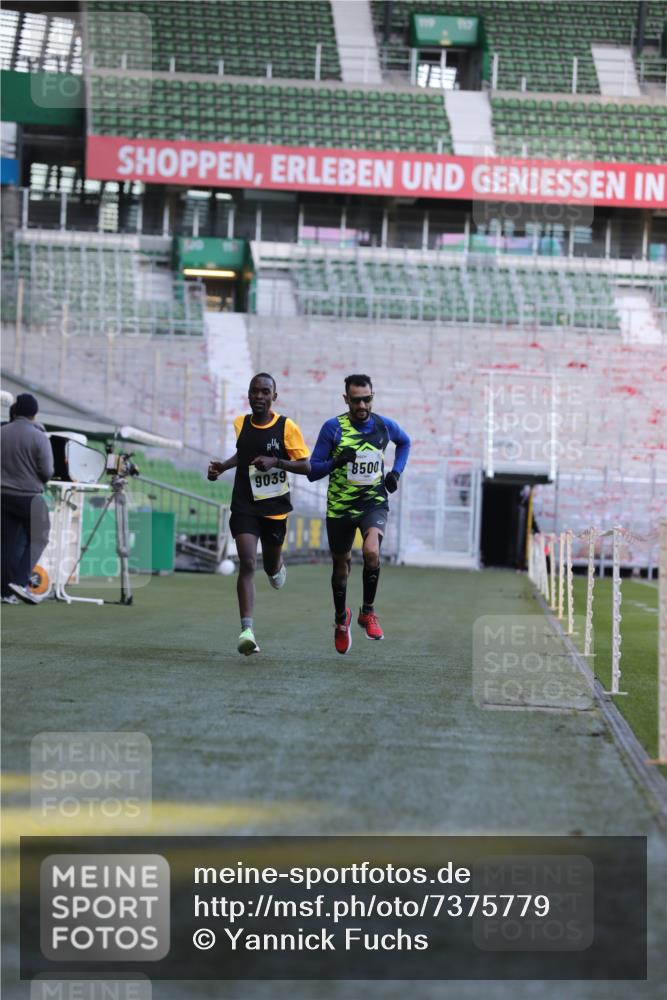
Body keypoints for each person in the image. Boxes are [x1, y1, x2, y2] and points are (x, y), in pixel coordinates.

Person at [208, 373, 310, 656]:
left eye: (265, 392)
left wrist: (276, 461)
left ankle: (277, 567)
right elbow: (243, 454)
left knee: (269, 566)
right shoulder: (241, 423)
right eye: (255, 391)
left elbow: (306, 466)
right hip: (245, 505)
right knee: (248, 562)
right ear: (249, 394)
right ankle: (247, 631)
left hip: (274, 509)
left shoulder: (286, 427)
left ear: (274, 396)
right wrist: (222, 467)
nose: (259, 396)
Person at [308, 374, 410, 654]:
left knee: (372, 552)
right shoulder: (333, 428)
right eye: (356, 400)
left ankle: (368, 612)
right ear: (346, 399)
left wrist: (395, 473)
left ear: (372, 397)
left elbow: (405, 442)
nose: (362, 405)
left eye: (367, 399)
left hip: (372, 502)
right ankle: (341, 619)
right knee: (341, 569)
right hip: (340, 507)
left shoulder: (384, 426)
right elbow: (313, 471)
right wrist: (336, 461)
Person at [1, 392, 54, 605]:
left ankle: (4, 592)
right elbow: (47, 471)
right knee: (40, 537)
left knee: (6, 544)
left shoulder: (1, 432)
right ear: (34, 413)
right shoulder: (39, 436)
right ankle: (20, 581)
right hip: (29, 496)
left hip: (3, 496)